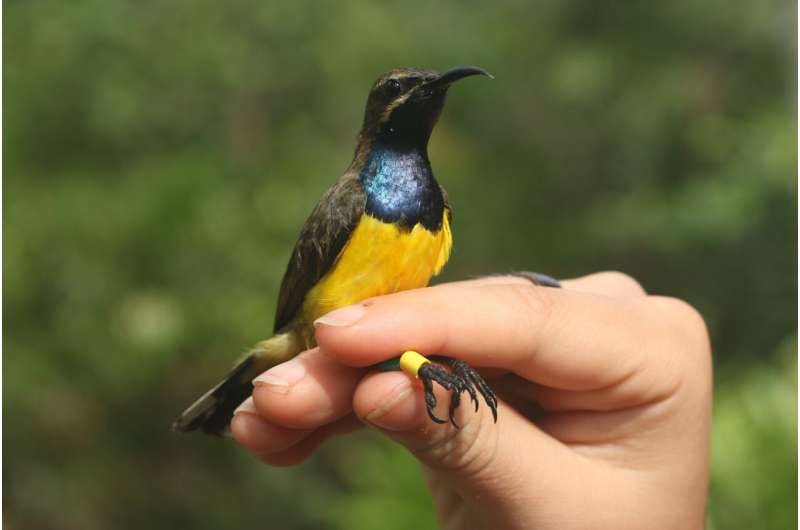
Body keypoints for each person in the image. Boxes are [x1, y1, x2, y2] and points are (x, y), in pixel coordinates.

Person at [230, 271, 712, 530]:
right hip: (326, 335)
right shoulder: (354, 201)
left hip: (377, 347)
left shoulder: (434, 213)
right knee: (373, 356)